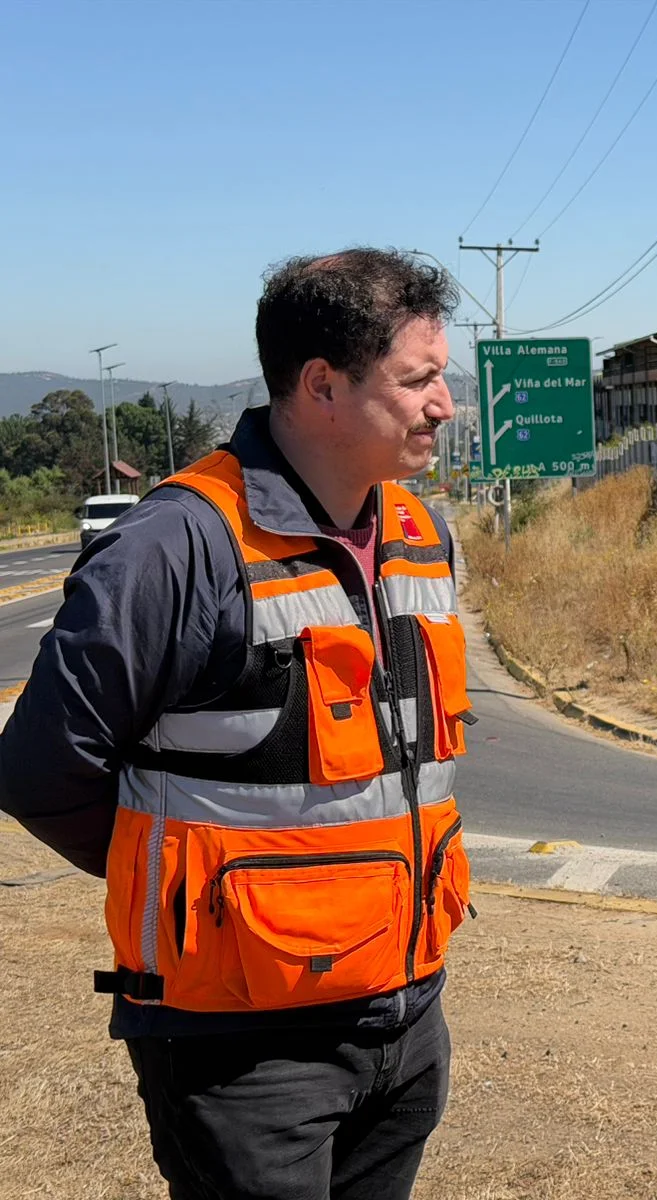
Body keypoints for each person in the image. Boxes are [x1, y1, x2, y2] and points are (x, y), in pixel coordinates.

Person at [0, 248, 477, 1199]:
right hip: (244, 1051)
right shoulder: (176, 544)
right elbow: (39, 770)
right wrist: (200, 889)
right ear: (322, 386)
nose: (445, 404)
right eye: (419, 379)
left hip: (404, 1020)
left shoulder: (420, 532)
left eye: (443, 379)